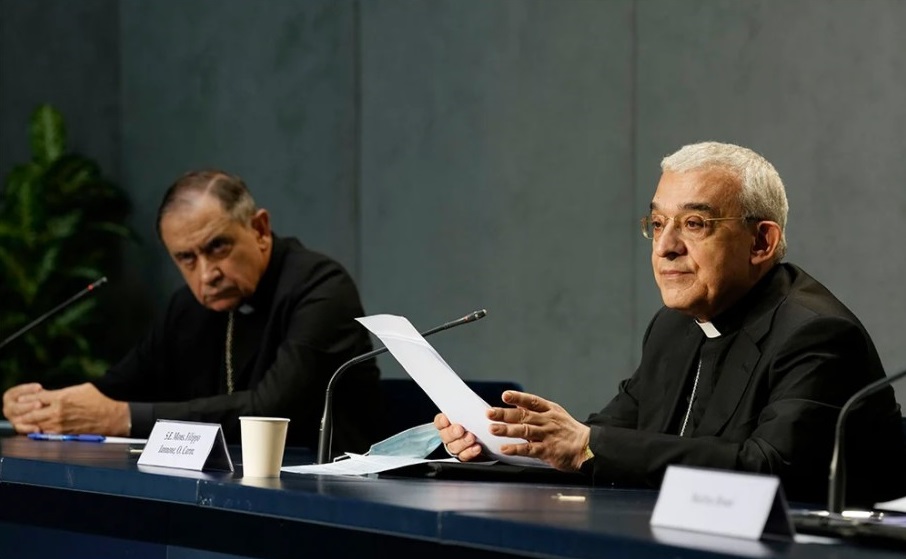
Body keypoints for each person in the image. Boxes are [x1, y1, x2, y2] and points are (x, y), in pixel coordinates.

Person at [435, 141, 905, 505]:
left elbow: (769, 471)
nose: (665, 247)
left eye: (695, 223)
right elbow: (610, 436)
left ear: (761, 242)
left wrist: (584, 445)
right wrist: (511, 439)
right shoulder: (675, 326)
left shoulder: (816, 334)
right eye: (658, 224)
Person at [2, 170, 380, 456]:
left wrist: (121, 418)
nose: (207, 275)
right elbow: (119, 386)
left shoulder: (321, 287)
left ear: (260, 230)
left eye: (218, 247)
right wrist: (45, 406)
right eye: (186, 258)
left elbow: (271, 408)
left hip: (323, 494)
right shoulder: (188, 308)